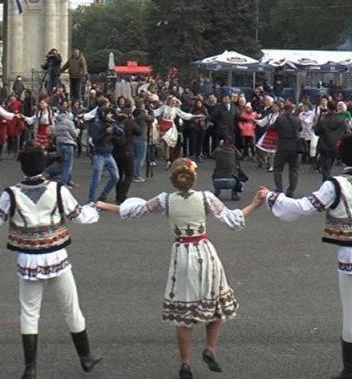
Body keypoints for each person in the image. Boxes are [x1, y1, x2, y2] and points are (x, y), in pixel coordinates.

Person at [96, 159, 264, 379]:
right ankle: (210, 349)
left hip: (182, 255)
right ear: (193, 178)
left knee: (183, 315)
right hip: (205, 251)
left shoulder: (165, 200)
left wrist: (103, 205)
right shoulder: (206, 198)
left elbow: (135, 211)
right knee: (217, 304)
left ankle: (185, 363)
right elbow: (233, 220)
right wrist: (255, 204)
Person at [259, 135, 352, 378]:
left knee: (351, 308)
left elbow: (304, 207)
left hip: (349, 253)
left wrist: (272, 198)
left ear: (340, 156)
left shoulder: (334, 184)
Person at [0, 146, 102, 379]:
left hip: (28, 258)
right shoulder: (58, 189)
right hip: (57, 256)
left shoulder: (10, 193)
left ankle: (30, 368)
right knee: (71, 308)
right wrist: (94, 210)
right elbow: (79, 216)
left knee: (29, 313)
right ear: (43, 166)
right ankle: (86, 357)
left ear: (22, 167)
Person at [88, 108, 123, 203]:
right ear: (103, 115)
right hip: (99, 154)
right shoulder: (96, 125)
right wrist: (106, 132)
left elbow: (120, 133)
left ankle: (103, 195)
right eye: (109, 114)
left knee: (115, 177)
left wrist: (116, 129)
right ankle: (91, 200)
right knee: (96, 180)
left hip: (109, 154)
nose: (111, 116)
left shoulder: (111, 124)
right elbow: (95, 140)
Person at [269, 104, 304, 197]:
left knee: (278, 168)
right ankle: (291, 190)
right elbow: (300, 129)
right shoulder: (297, 119)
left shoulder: (280, 119)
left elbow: (271, 127)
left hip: (282, 147)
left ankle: (279, 188)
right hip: (295, 147)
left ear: (284, 110)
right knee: (294, 170)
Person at [211, 137, 244, 201]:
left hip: (217, 181)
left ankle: (217, 191)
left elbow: (212, 155)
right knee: (237, 172)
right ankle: (234, 194)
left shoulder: (218, 150)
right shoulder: (233, 151)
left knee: (215, 171)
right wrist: (233, 146)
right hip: (231, 182)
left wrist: (219, 146)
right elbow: (240, 156)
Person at [54, 111, 78, 187]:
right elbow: (75, 134)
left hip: (61, 144)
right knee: (68, 165)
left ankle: (68, 180)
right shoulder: (69, 122)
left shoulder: (57, 124)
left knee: (65, 163)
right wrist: (77, 130)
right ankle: (63, 183)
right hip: (69, 144)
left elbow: (56, 134)